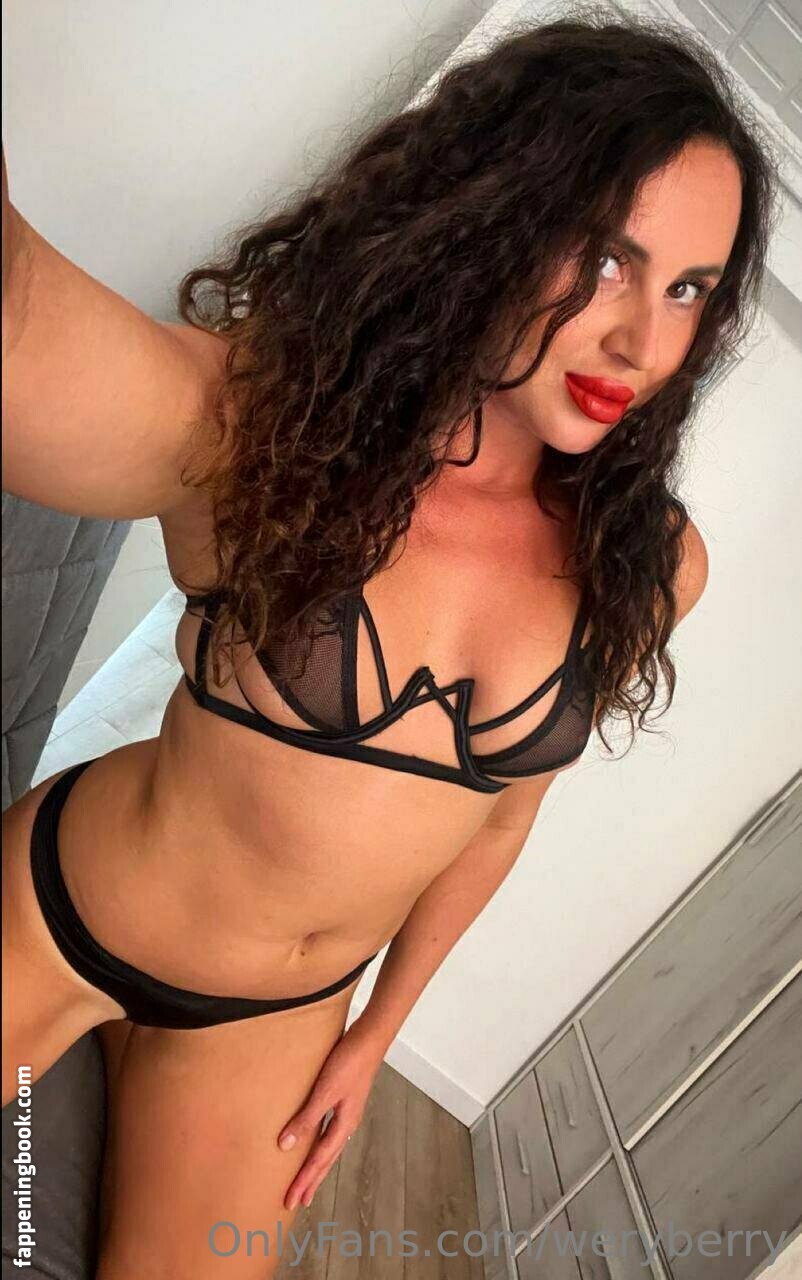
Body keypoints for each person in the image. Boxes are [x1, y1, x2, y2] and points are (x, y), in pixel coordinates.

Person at [1, 9, 778, 1277]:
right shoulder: (278, 429)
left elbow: (500, 815)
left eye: (688, 289)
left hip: (274, 1019)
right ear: (497, 215)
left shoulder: (646, 563)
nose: (643, 342)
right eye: (606, 260)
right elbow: (19, 326)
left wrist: (374, 1032)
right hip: (74, 913)